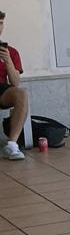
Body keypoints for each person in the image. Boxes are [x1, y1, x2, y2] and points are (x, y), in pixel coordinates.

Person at [0, 9, 28, 160]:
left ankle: (12, 145)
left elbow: (15, 83)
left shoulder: (11, 52)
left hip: (1, 89)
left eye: (1, 23)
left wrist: (8, 61)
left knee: (21, 93)